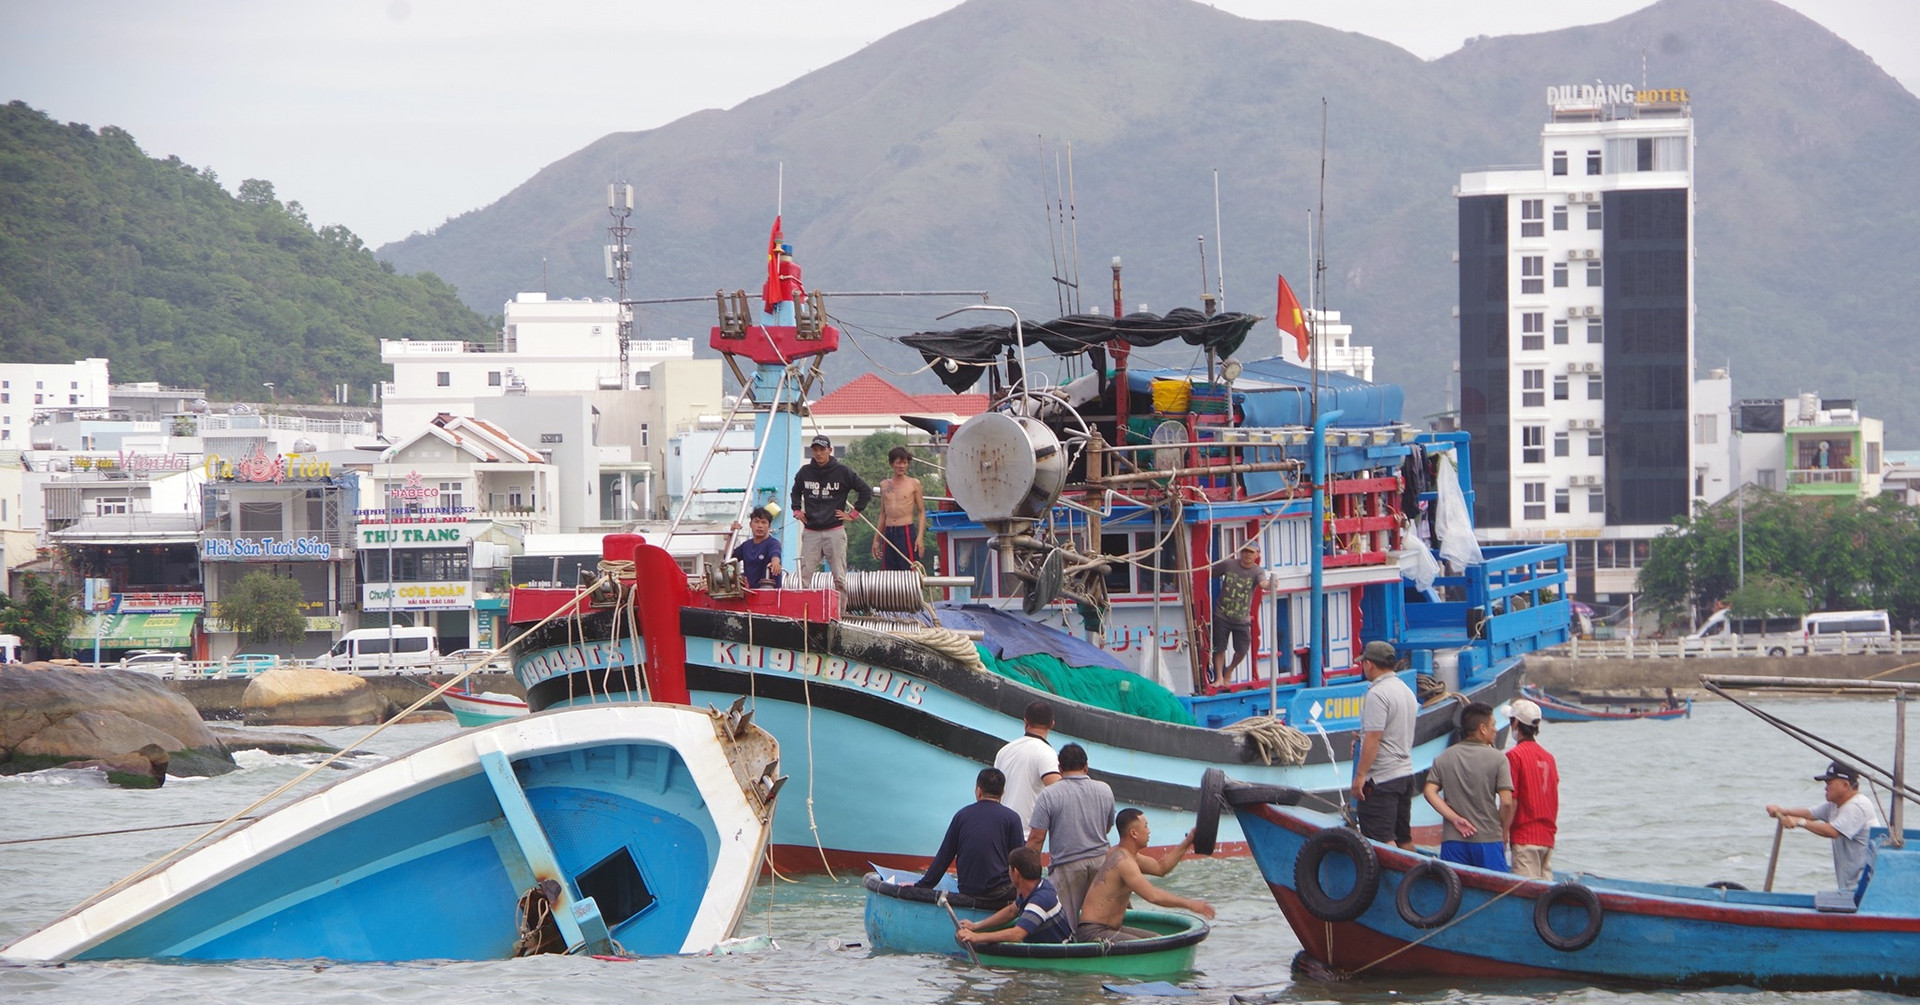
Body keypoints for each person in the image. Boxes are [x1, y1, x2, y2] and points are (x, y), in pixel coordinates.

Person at [1072, 808, 1215, 945]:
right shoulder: (1123, 862)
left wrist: (1188, 841)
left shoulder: (1127, 855)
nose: (1149, 831)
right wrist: (1190, 904)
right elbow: (1153, 896)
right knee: (1155, 946)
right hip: (1094, 932)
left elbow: (1161, 868)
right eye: (1146, 826)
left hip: (1111, 929)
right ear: (1134, 833)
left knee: (1158, 939)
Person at [1025, 742, 1113, 928]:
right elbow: (1107, 828)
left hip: (1067, 867)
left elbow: (1036, 839)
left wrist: (1027, 876)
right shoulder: (1105, 790)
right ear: (1086, 766)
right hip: (1101, 863)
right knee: (1102, 922)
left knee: (1066, 924)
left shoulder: (1049, 795)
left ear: (1059, 768)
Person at [1767, 760, 1884, 893]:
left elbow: (1833, 831)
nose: (1825, 788)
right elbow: (1811, 813)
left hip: (1865, 885)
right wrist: (1783, 811)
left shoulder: (1857, 806)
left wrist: (1799, 822)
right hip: (1848, 885)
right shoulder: (1835, 804)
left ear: (1845, 785)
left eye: (1830, 783)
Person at [1423, 701, 1513, 871]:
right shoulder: (1498, 758)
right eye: (1492, 725)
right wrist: (1502, 831)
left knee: (1454, 889)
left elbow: (1429, 792)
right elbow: (1507, 802)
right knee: (1495, 889)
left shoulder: (1443, 757)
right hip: (1487, 839)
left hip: (1453, 840)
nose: (1495, 729)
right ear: (1482, 729)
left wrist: (1454, 819)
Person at [914, 767, 1025, 901]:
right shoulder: (1012, 818)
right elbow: (1019, 862)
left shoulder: (961, 816)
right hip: (1000, 894)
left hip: (968, 890)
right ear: (1003, 793)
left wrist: (921, 887)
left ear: (978, 791)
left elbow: (944, 856)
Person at [1350, 639, 1418, 850]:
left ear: (1369, 664)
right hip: (1405, 775)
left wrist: (1360, 776)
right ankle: (1417, 879)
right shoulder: (1405, 690)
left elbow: (1374, 738)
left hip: (1382, 779)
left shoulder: (1377, 693)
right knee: (1403, 837)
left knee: (1382, 841)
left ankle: (1396, 883)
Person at [789, 435, 872, 591]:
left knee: (839, 577)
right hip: (811, 531)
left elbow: (865, 490)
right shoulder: (805, 471)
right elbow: (795, 491)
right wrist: (796, 509)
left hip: (834, 530)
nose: (819, 453)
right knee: (804, 577)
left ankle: (839, 614)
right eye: (815, 450)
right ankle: (802, 614)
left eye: (822, 449)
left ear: (830, 450)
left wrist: (853, 513)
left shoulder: (842, 471)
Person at [954, 846, 1074, 947]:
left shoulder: (1040, 900)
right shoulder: (1040, 886)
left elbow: (1017, 935)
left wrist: (977, 937)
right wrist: (976, 926)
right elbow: (1012, 911)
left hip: (1059, 952)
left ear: (1016, 873)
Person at [1504, 697, 1560, 880]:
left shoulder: (1514, 756)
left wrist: (1503, 833)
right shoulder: (1549, 758)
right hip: (1547, 838)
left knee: (1526, 892)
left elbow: (1511, 800)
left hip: (1524, 837)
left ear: (1515, 723)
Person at [993, 700, 1061, 837]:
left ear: (1025, 721)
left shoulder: (1004, 751)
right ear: (1052, 725)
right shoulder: (1048, 754)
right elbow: (1059, 793)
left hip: (997, 830)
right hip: (1024, 835)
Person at [1210, 544, 1262, 684]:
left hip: (1242, 619)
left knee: (1242, 650)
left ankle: (1230, 669)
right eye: (1245, 551)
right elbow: (1209, 572)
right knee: (1219, 647)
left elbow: (1263, 583)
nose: (1247, 555)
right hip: (1222, 614)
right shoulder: (1229, 564)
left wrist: (1270, 584)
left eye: (1251, 552)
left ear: (1257, 555)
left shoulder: (1257, 571)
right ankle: (1219, 677)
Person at [873, 445, 926, 572]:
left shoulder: (914, 484)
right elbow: (883, 514)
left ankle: (911, 592)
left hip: (906, 531)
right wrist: (876, 540)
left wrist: (920, 537)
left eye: (904, 463)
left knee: (910, 570)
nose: (901, 466)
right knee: (890, 573)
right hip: (889, 532)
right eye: (898, 463)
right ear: (892, 464)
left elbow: (921, 511)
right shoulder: (884, 485)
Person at [728, 507, 784, 589]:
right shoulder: (746, 545)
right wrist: (731, 535)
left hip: (769, 594)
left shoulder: (773, 543)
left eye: (764, 522)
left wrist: (775, 563)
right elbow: (728, 557)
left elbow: (775, 554)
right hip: (749, 592)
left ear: (769, 526)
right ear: (750, 524)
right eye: (756, 522)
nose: (760, 526)